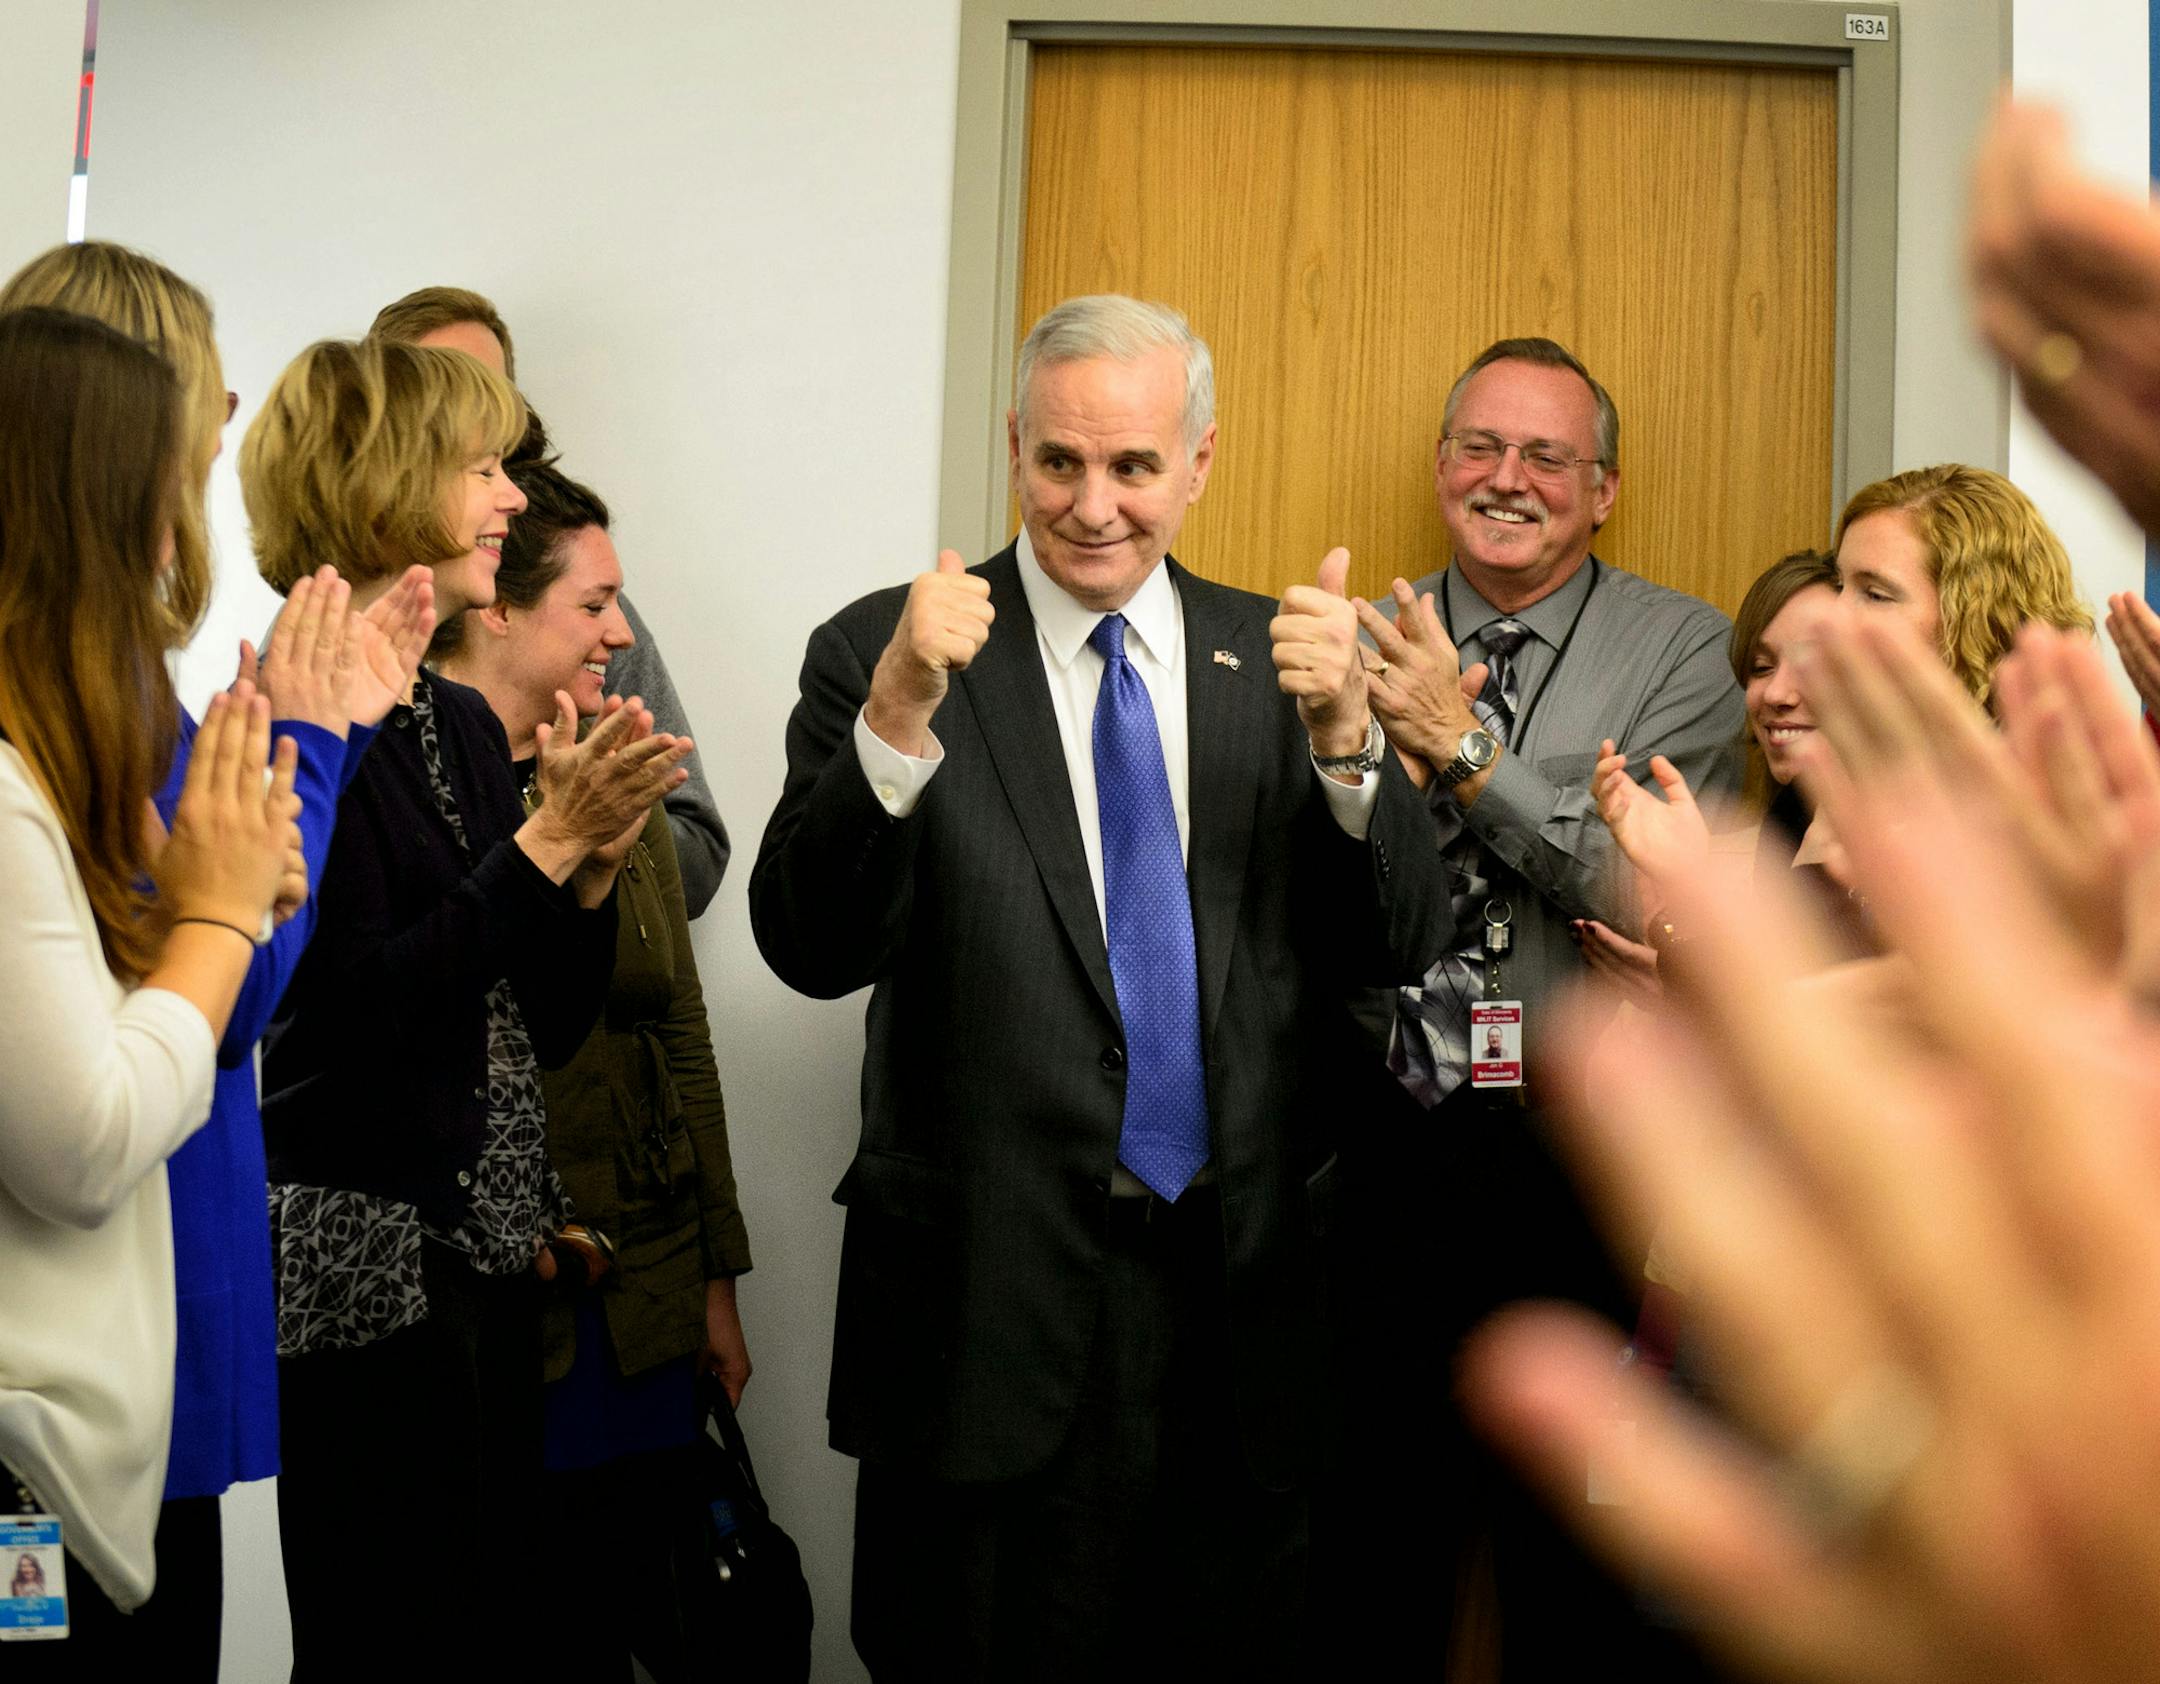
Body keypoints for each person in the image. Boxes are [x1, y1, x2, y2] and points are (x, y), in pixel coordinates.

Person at [750, 294, 1447, 1680]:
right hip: (981, 1319)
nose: (1093, 506)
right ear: (1014, 448)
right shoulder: (888, 652)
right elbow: (809, 946)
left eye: (1132, 468)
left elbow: (1397, 942)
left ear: (1196, 464)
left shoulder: (1286, 665)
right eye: (1059, 462)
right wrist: (896, 718)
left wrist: (1351, 745)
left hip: (1237, 1322)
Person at [0, 241, 435, 1676]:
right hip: (78, 1356)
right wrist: (308, 751)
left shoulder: (111, 693)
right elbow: (225, 988)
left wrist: (316, 749)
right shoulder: (70, 724)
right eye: (195, 423)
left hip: (126, 1318)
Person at [240, 337, 690, 1674]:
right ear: (389, 485)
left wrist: (591, 863)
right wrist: (543, 858)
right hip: (367, 1282)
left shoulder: (445, 713)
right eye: (483, 467)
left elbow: (532, 1027)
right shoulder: (301, 710)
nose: (508, 499)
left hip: (484, 1281)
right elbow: (343, 1013)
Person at [1339, 334, 1746, 1676]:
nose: (1504, 478)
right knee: (1371, 1545)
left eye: (1546, 456)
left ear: (1604, 487)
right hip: (1375, 1141)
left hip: (1579, 1154)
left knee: (1566, 1562)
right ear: (1441, 462)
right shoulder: (1349, 647)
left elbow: (1637, 888)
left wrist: (1459, 751)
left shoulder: (1684, 649)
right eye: (1478, 446)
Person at [0, 306, 299, 1651]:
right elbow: (89, 1142)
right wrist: (219, 923)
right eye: (173, 494)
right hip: (27, 1467)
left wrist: (209, 895)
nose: (186, 541)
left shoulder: (70, 755)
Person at [432, 457, 753, 1681]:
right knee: (528, 1619)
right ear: (497, 607)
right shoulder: (431, 785)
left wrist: (721, 1278)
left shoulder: (622, 766)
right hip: (517, 1304)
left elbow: (681, 1028)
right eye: (598, 603)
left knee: (653, 1613)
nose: (624, 632)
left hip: (650, 1288)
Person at [367, 285, 731, 914]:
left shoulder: (588, 604)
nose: (477, 423)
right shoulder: (325, 631)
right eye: (442, 401)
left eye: (490, 397)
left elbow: (698, 852)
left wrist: (590, 828)